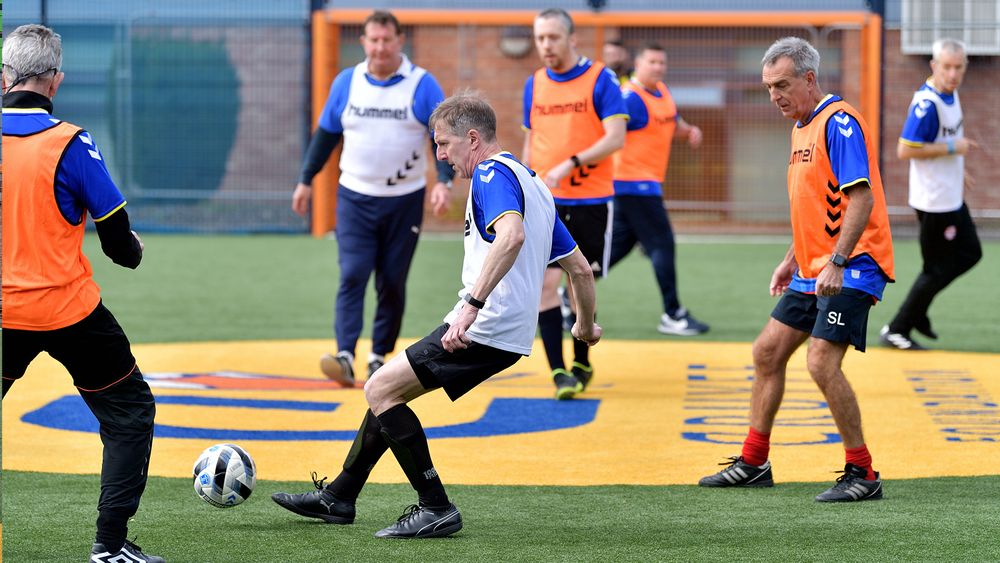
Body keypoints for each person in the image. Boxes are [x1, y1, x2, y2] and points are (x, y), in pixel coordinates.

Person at [272, 91, 601, 538]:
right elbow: (580, 269)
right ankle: (340, 496)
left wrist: (471, 308)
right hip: (505, 330)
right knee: (390, 390)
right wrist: (584, 325)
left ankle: (435, 506)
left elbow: (511, 237)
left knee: (379, 388)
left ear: (472, 138)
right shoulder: (534, 183)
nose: (441, 155)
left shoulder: (490, 173)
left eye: (444, 144)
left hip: (486, 325)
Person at [697, 37, 894, 502]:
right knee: (767, 352)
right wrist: (792, 259)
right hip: (813, 268)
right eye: (768, 87)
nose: (774, 96)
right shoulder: (800, 128)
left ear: (809, 79)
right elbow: (816, 207)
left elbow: (860, 199)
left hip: (854, 264)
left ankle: (863, 473)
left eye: (782, 85)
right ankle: (754, 462)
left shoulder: (838, 123)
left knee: (821, 362)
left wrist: (838, 262)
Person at [1, 24, 162, 563]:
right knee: (129, 413)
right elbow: (118, 243)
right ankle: (109, 546)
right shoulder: (70, 142)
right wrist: (134, 250)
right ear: (56, 80)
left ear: (4, 77)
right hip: (67, 311)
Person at [292, 10, 456, 385]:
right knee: (352, 273)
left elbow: (442, 137)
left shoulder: (421, 84)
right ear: (363, 42)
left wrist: (443, 181)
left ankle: (378, 356)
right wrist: (305, 180)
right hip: (355, 197)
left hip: (404, 200)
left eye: (387, 40)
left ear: (400, 41)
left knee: (392, 281)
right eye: (373, 40)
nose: (380, 47)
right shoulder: (347, 82)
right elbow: (326, 135)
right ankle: (345, 356)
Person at [522, 8, 627, 399]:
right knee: (545, 285)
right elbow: (532, 140)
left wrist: (571, 163)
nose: (545, 45)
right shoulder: (534, 83)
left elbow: (615, 137)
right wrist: (525, 183)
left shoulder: (600, 78)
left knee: (579, 279)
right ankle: (558, 372)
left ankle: (582, 359)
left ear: (571, 39)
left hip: (591, 200)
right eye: (540, 38)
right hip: (546, 201)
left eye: (552, 37)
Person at [880, 38, 982, 351]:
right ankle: (898, 328)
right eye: (946, 67)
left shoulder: (950, 94)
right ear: (934, 66)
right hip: (935, 202)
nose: (953, 74)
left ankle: (917, 313)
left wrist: (958, 170)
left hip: (949, 196)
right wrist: (953, 148)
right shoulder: (927, 105)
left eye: (958, 67)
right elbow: (905, 150)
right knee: (941, 267)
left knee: (966, 255)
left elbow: (943, 139)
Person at [610, 43, 710, 336]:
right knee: (662, 244)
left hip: (644, 184)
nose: (658, 67)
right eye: (652, 62)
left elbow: (672, 120)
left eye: (662, 62)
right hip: (633, 185)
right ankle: (673, 314)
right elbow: (608, 133)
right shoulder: (630, 98)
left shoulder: (662, 92)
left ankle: (569, 296)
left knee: (616, 249)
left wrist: (688, 131)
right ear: (638, 64)